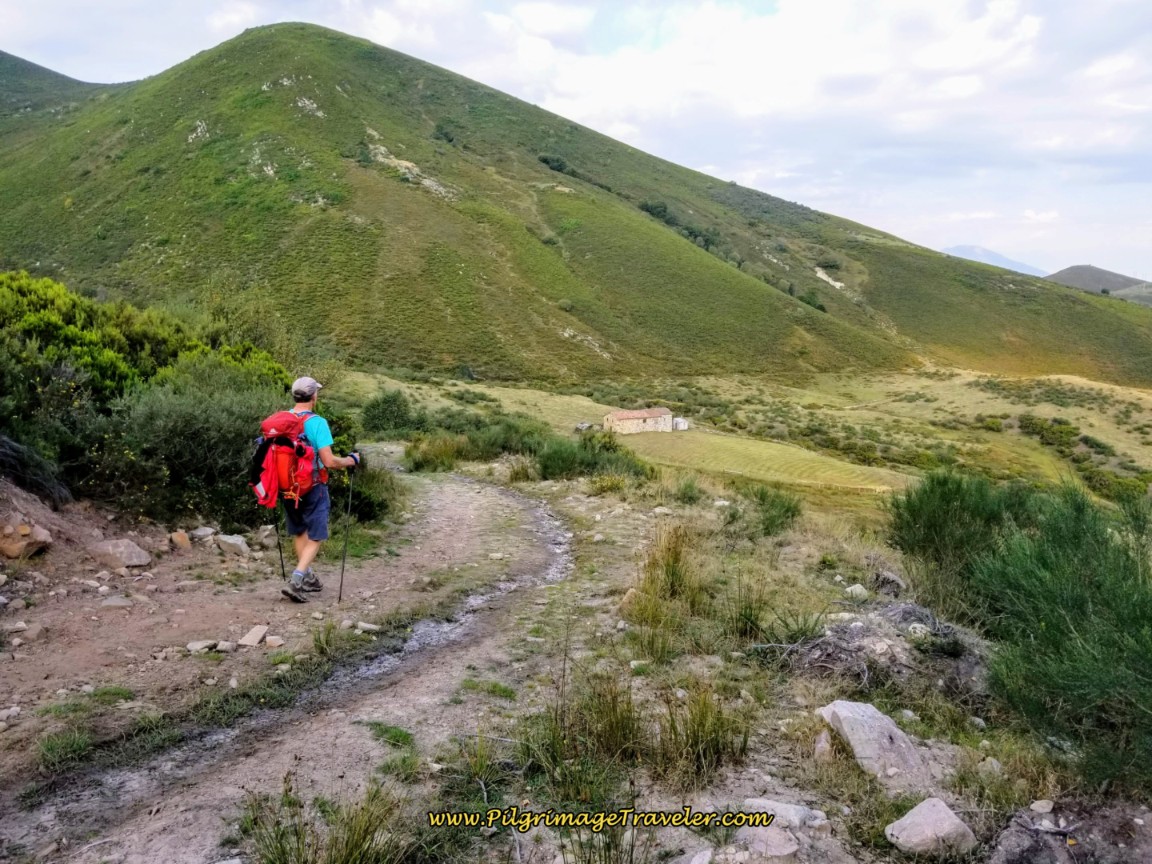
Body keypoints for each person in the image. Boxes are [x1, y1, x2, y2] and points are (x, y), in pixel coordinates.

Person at [280, 376, 360, 603]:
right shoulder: (317, 423)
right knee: (316, 534)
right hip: (313, 485)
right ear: (313, 396)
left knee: (299, 530)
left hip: (288, 486)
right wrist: (350, 460)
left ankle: (308, 576)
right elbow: (329, 461)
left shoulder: (283, 419)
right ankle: (297, 580)